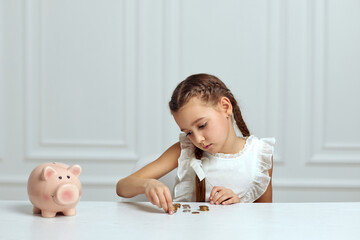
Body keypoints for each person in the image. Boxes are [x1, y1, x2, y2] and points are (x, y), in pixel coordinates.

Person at [116, 73, 275, 214]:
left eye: (202, 125)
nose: (197, 139)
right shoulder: (185, 150)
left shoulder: (259, 156)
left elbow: (264, 216)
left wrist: (239, 205)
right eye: (188, 132)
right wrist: (147, 184)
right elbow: (122, 187)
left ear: (225, 107)